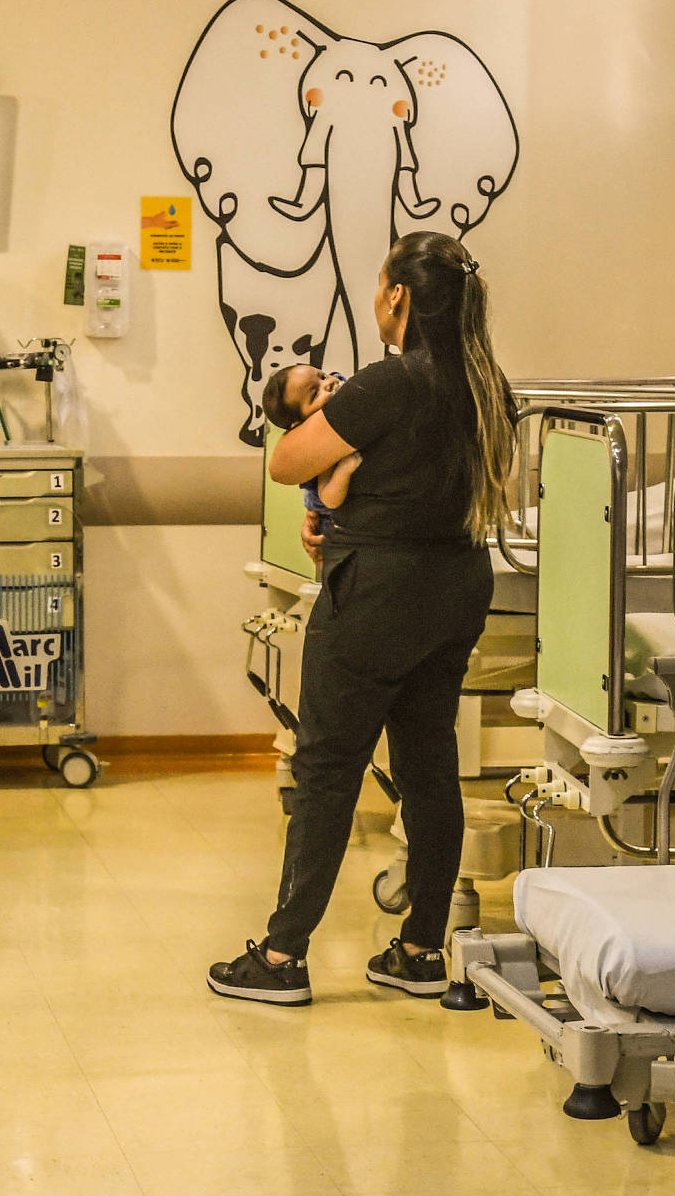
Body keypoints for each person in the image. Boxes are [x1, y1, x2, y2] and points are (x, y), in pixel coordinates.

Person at [208, 232, 517, 1006]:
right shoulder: (487, 384)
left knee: (328, 767)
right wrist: (347, 517)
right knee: (428, 766)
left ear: (398, 298)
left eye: (382, 285)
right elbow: (432, 481)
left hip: (379, 591)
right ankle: (419, 952)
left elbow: (286, 462)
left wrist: (346, 521)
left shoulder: (390, 381)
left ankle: (281, 959)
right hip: (456, 582)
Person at [262, 364, 356, 536]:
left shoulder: (340, 389)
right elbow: (329, 498)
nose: (328, 383)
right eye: (315, 394)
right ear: (301, 425)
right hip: (331, 520)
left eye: (322, 376)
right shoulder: (317, 446)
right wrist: (346, 468)